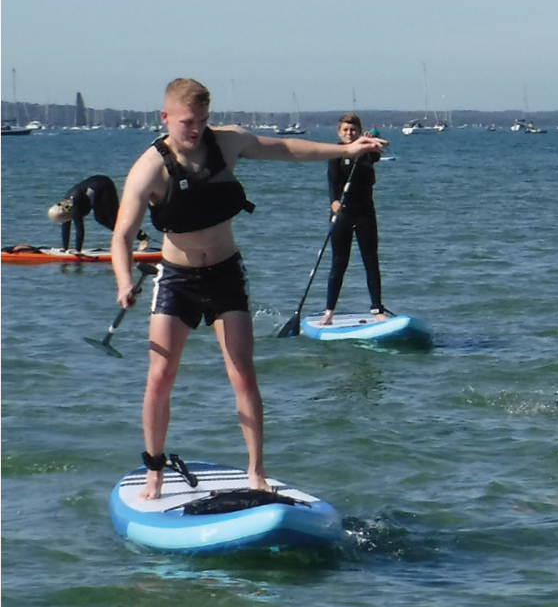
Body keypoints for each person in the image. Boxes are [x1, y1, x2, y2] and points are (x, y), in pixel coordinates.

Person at [111, 78, 386, 500]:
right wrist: (125, 279)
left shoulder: (228, 144)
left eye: (203, 120)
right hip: (177, 279)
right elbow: (122, 235)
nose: (197, 129)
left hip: (224, 275)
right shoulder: (150, 167)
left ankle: (256, 470)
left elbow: (284, 149)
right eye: (188, 121)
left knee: (243, 375)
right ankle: (154, 471)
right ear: (164, 117)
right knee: (159, 379)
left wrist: (347, 151)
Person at [318, 113, 385, 325]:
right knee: (339, 263)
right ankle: (329, 312)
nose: (349, 133)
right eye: (345, 130)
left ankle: (377, 309)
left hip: (365, 213)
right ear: (339, 132)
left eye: (353, 130)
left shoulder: (366, 152)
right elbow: (332, 181)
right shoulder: (335, 154)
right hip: (342, 214)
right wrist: (333, 202)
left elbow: (377, 153)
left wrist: (369, 142)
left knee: (370, 261)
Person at [47, 175, 149, 252]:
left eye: (63, 221)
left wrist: (77, 251)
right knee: (101, 219)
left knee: (112, 217)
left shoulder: (74, 208)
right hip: (95, 192)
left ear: (64, 215)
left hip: (104, 186)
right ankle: (124, 238)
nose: (65, 223)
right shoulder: (64, 206)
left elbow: (80, 230)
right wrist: (65, 249)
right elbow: (66, 228)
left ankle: (143, 238)